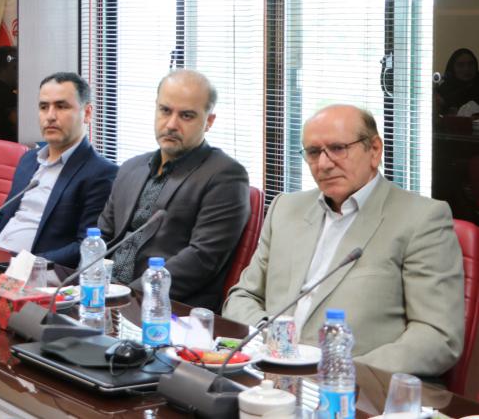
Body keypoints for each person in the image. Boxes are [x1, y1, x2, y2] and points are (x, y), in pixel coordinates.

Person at [224, 105, 464, 377]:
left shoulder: (421, 219)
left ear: (374, 150)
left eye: (338, 148)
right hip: (270, 374)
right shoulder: (286, 209)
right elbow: (242, 296)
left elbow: (437, 335)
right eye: (313, 152)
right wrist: (270, 336)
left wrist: (344, 373)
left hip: (354, 387)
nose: (324, 164)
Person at [98, 69, 250, 311]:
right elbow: (101, 237)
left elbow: (202, 258)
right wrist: (89, 287)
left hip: (164, 309)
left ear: (209, 122)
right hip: (105, 298)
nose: (171, 124)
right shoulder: (130, 168)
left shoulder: (225, 176)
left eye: (186, 116)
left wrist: (129, 297)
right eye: (165, 110)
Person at [0, 72, 117, 266]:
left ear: (87, 113)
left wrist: (27, 265)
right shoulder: (29, 160)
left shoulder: (100, 173)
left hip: (38, 273)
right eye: (44, 107)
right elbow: (0, 217)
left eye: (61, 106)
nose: (50, 116)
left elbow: (86, 245)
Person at [436, 48, 479, 116]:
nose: (467, 69)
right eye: (460, 65)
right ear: (452, 68)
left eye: (471, 64)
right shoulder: (444, 91)